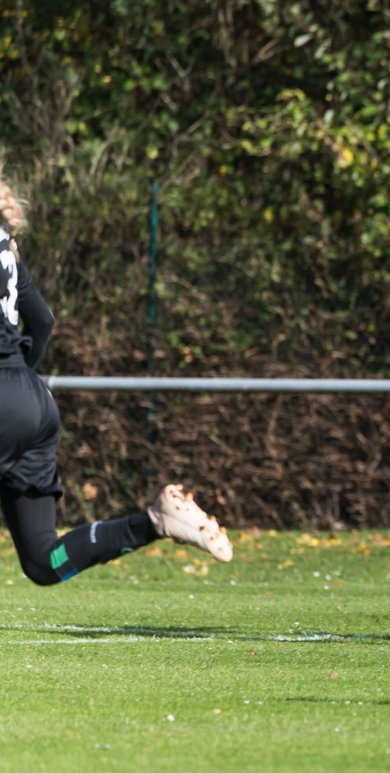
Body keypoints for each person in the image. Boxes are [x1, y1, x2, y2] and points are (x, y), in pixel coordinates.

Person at [0, 171, 232, 585]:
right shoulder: (7, 246)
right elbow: (43, 321)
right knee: (42, 562)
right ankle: (155, 521)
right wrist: (18, 386)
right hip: (32, 400)